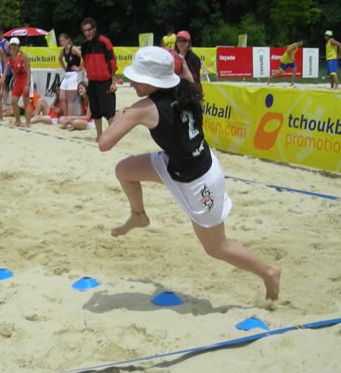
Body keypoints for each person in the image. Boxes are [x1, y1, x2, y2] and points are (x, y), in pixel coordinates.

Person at [98, 46, 281, 301]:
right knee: (124, 170)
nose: (131, 83)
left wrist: (120, 117)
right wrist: (181, 64)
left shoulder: (143, 108)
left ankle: (269, 272)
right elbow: (183, 72)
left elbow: (104, 144)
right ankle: (138, 215)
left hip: (200, 181)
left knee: (217, 247)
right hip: (178, 163)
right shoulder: (186, 87)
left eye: (137, 78)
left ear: (155, 80)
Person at [80, 17, 117, 141]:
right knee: (95, 112)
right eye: (84, 31)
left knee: (109, 112)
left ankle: (112, 138)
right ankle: (99, 136)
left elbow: (112, 63)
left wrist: (113, 82)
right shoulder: (84, 45)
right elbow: (85, 62)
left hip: (105, 82)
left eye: (88, 30)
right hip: (92, 82)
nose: (87, 33)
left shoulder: (104, 42)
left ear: (94, 29)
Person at [7, 37, 32, 127]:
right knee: (13, 102)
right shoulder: (10, 57)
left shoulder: (22, 56)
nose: (13, 46)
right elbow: (14, 71)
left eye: (15, 45)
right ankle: (18, 121)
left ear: (18, 46)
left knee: (26, 102)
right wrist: (14, 82)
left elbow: (28, 70)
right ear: (10, 46)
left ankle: (27, 123)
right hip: (18, 81)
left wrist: (27, 84)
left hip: (25, 80)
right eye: (12, 45)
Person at [58, 33, 82, 117]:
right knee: (61, 97)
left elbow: (83, 56)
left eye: (63, 40)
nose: (62, 42)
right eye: (60, 41)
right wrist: (64, 68)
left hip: (74, 74)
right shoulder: (63, 51)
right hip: (67, 74)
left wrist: (79, 68)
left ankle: (69, 118)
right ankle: (65, 116)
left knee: (69, 99)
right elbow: (60, 59)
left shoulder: (73, 48)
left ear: (67, 40)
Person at [0, 27, 12, 108]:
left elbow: (11, 54)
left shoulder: (6, 43)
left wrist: (8, 59)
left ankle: (4, 104)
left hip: (6, 66)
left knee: (4, 86)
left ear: (2, 34)